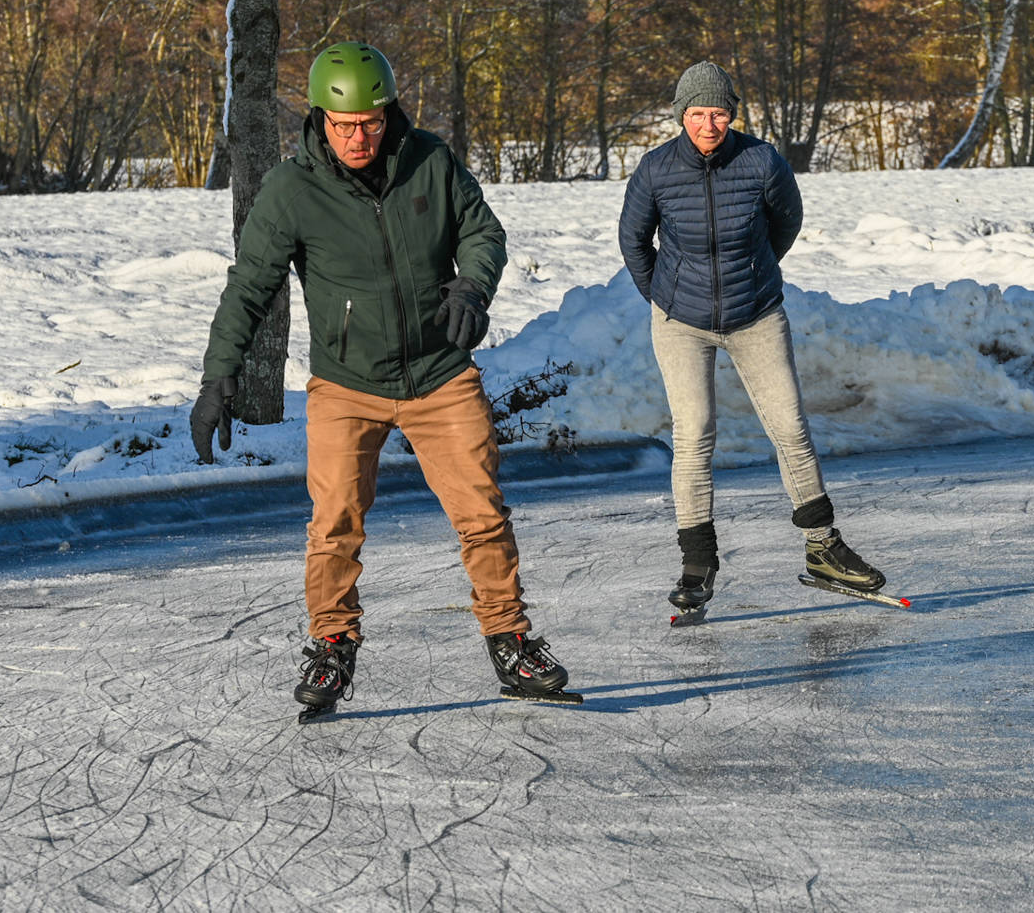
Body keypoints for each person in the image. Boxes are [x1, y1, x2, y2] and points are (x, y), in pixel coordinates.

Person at [190, 41, 571, 711]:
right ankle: (332, 647)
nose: (358, 137)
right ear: (317, 120)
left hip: (439, 371)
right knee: (333, 520)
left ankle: (510, 640)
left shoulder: (430, 161)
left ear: (388, 111)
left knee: (481, 512)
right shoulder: (290, 189)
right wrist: (218, 376)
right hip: (346, 383)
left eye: (369, 121)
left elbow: (483, 233)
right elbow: (250, 285)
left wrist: (471, 289)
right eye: (343, 126)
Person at [617, 60, 886, 617]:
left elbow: (785, 224)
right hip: (680, 320)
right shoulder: (655, 170)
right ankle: (698, 562)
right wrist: (663, 296)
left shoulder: (762, 161)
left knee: (790, 427)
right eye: (697, 114)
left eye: (717, 113)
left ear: (732, 114)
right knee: (693, 437)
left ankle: (823, 548)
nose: (708, 125)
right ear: (680, 116)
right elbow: (634, 241)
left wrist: (754, 275)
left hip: (756, 312)